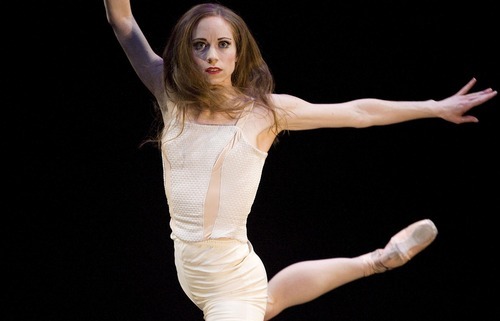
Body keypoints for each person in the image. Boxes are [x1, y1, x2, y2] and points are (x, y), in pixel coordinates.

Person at [103, 1, 497, 320]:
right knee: (268, 303)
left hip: (231, 276)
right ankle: (378, 260)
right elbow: (122, 20)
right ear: (186, 52)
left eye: (224, 44)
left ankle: (375, 262)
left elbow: (359, 113)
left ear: (239, 53)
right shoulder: (168, 92)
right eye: (200, 44)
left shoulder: (264, 112)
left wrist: (435, 107)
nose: (212, 55)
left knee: (252, 302)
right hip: (188, 269)